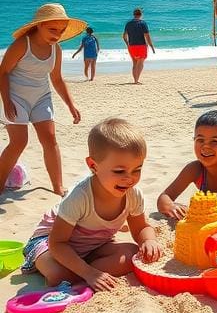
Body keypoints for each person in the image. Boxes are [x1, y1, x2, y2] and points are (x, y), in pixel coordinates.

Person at [20, 118, 161, 290]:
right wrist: (89, 273)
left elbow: (140, 228)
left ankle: (80, 270)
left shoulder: (133, 194)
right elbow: (57, 243)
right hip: (51, 243)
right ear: (93, 165)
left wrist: (149, 240)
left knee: (131, 254)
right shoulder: (79, 196)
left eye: (137, 169)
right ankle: (82, 271)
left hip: (94, 246)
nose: (129, 178)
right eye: (119, 171)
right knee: (57, 274)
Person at [0, 3, 84, 197]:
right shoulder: (23, 44)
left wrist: (71, 105)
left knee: (50, 138)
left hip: (41, 98)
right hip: (14, 96)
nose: (57, 34)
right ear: (39, 25)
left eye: (61, 31)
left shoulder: (56, 50)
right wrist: (6, 101)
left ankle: (57, 186)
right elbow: (2, 72)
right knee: (19, 141)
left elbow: (56, 79)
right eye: (52, 29)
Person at [122, 8, 155, 85]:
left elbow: (124, 36)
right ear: (141, 14)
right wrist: (151, 46)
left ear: (134, 14)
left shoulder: (128, 24)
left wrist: (127, 44)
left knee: (134, 63)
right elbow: (147, 36)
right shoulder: (143, 23)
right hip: (141, 46)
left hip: (131, 46)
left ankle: (135, 80)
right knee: (140, 63)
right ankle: (136, 80)